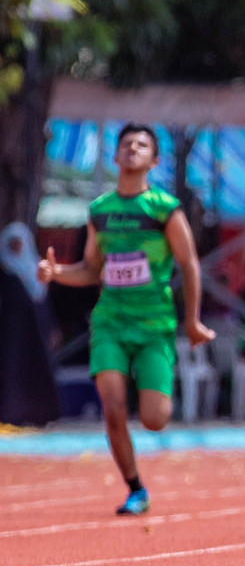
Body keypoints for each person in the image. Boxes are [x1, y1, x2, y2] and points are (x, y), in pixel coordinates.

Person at [36, 124, 216, 515]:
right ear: (116, 157)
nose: (133, 149)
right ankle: (136, 488)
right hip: (111, 322)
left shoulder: (164, 209)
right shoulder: (100, 211)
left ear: (154, 160)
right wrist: (57, 274)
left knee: (155, 419)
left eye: (142, 145)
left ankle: (154, 388)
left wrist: (192, 322)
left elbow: (188, 264)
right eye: (126, 144)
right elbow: (91, 269)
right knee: (113, 410)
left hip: (154, 326)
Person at [1, 223, 61, 427]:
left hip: (37, 338)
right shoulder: (4, 273)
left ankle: (40, 415)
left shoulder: (38, 272)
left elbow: (44, 306)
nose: (17, 248)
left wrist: (52, 329)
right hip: (9, 340)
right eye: (13, 244)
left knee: (38, 375)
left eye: (20, 243)